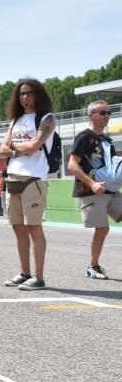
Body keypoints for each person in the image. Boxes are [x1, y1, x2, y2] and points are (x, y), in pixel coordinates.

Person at [0, 78, 56, 291]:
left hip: (34, 179)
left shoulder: (46, 118)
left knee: (34, 227)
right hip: (13, 178)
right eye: (21, 93)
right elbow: (1, 149)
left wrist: (13, 146)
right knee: (18, 228)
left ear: (37, 94)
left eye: (29, 93)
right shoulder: (16, 120)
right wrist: (17, 148)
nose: (24, 97)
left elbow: (34, 146)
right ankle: (25, 273)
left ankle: (38, 277)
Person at [66, 100, 121, 279]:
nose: (107, 116)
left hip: (110, 189)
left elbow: (113, 166)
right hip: (92, 190)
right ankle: (93, 267)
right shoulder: (84, 137)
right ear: (91, 115)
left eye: (108, 112)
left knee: (104, 229)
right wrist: (92, 184)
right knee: (102, 229)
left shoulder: (106, 140)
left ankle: (94, 266)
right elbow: (72, 165)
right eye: (102, 112)